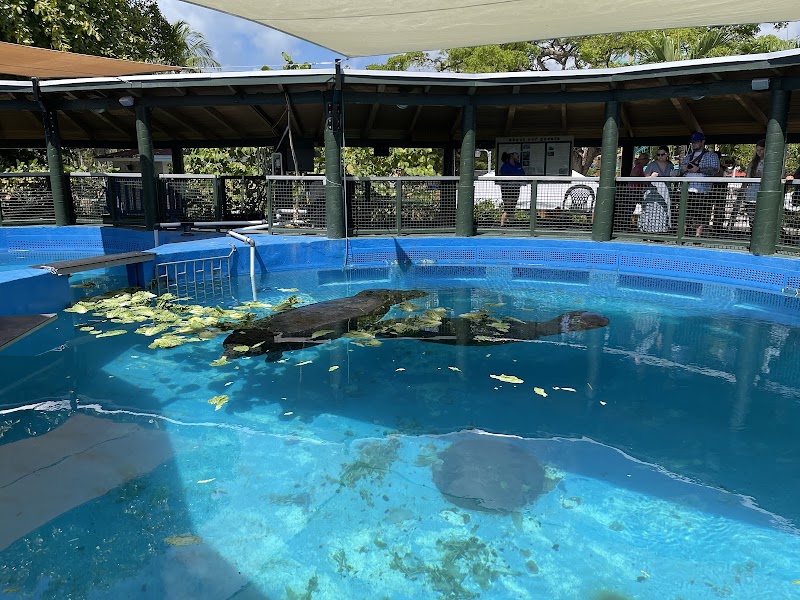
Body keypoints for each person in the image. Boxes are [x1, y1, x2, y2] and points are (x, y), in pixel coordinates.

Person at [680, 132, 720, 237]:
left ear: (702, 142)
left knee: (701, 214)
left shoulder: (711, 155)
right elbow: (681, 171)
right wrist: (683, 170)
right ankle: (683, 234)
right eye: (692, 142)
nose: (694, 144)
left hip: (702, 190)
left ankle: (697, 236)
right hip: (687, 189)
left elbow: (715, 170)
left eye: (696, 141)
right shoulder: (688, 157)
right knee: (685, 214)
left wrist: (698, 169)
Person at [639, 146, 673, 233]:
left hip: (665, 192)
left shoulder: (670, 165)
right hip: (652, 192)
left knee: (663, 212)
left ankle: (661, 231)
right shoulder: (652, 165)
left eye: (662, 154)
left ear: (667, 155)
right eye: (658, 155)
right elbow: (645, 178)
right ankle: (647, 231)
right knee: (650, 212)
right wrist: (651, 177)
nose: (660, 156)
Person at [498, 151, 525, 226]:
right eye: (516, 154)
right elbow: (503, 178)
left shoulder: (518, 165)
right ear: (512, 155)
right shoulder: (505, 166)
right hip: (507, 189)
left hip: (516, 188)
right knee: (507, 207)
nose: (518, 156)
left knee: (512, 207)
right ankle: (502, 225)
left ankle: (511, 224)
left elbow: (522, 174)